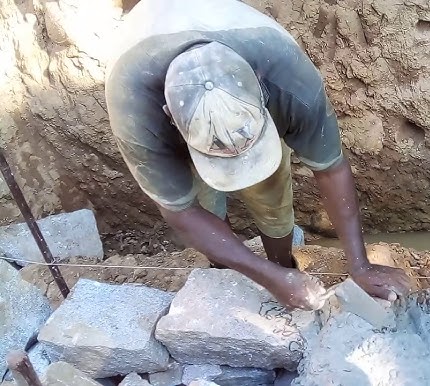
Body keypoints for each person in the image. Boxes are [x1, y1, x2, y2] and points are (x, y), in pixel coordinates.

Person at [105, 0, 411, 310]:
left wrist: (359, 265)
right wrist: (266, 277)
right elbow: (182, 212)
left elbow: (331, 169)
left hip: (231, 34)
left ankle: (284, 266)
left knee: (271, 194)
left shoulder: (290, 79)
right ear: (170, 117)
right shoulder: (135, 112)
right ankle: (225, 272)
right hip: (146, 62)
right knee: (205, 201)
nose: (239, 168)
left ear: (262, 91)